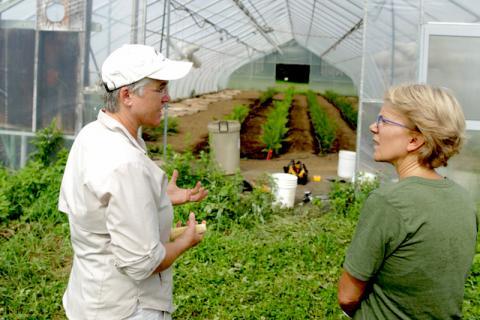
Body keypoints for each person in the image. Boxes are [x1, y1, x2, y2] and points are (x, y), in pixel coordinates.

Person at [59, 44, 208, 319]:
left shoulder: (92, 134)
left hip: (91, 295)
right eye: (160, 88)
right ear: (127, 95)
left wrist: (157, 196)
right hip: (127, 309)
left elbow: (101, 210)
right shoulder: (126, 162)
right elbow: (142, 263)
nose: (168, 97)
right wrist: (185, 241)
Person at [338, 84, 479, 319]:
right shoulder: (463, 200)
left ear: (414, 140)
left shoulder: (389, 202)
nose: (374, 128)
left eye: (384, 121)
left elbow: (347, 296)